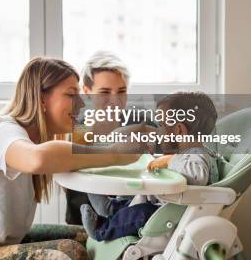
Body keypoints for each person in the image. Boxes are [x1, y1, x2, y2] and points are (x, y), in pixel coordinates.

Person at [0, 57, 143, 260]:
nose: (81, 104)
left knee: (93, 238)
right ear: (41, 98)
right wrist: (115, 154)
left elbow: (72, 150)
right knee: (70, 254)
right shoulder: (2, 130)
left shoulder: (33, 138)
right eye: (70, 95)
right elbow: (37, 159)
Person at [79, 92, 220, 242]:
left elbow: (198, 176)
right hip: (163, 205)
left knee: (141, 213)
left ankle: (102, 230)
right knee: (136, 203)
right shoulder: (186, 152)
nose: (158, 131)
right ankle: (111, 208)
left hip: (174, 216)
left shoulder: (198, 154)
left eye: (162, 125)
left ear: (179, 130)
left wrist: (169, 161)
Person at [65, 50, 132, 225]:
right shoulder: (76, 128)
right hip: (85, 222)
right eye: (104, 92)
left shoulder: (139, 124)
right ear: (87, 92)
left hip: (134, 220)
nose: (115, 100)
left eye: (122, 91)